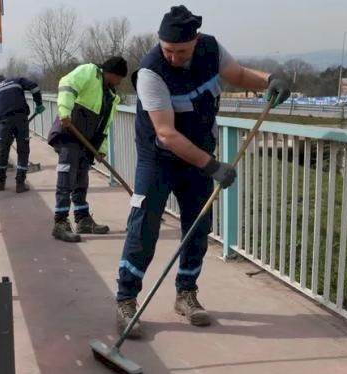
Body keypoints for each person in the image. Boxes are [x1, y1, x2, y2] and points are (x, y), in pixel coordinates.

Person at [114, 5, 291, 336]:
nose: (174, 57)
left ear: (195, 41)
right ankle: (126, 300)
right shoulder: (151, 72)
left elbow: (237, 74)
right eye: (168, 50)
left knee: (198, 224)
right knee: (145, 224)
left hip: (198, 153)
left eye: (181, 50)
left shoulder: (210, 48)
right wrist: (213, 166)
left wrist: (269, 79)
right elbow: (166, 134)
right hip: (158, 159)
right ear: (159, 42)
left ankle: (186, 294)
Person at [46, 57, 128, 243]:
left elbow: (105, 127)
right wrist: (64, 111)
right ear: (111, 74)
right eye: (118, 78)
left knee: (81, 177)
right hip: (69, 132)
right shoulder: (90, 72)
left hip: (87, 141)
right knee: (67, 174)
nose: (119, 83)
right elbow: (67, 84)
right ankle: (60, 222)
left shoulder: (112, 98)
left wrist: (101, 150)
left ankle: (82, 219)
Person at [0, 74, 44, 193]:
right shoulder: (16, 80)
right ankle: (20, 184)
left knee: (2, 153)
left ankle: (0, 183)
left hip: (4, 123)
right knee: (23, 151)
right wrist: (38, 103)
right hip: (21, 119)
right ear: (5, 79)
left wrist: (1, 135)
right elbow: (34, 87)